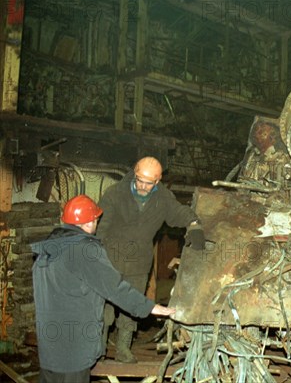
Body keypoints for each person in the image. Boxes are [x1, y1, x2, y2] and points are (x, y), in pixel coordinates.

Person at [32, 195, 175, 383]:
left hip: (49, 349)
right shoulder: (85, 250)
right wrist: (151, 307)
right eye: (96, 220)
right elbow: (115, 288)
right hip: (73, 351)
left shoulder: (46, 251)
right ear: (90, 221)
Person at [96, 156, 205, 363]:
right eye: (140, 180)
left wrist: (194, 224)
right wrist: (97, 255)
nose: (143, 186)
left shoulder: (163, 199)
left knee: (132, 307)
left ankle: (123, 349)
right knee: (105, 308)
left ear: (157, 181)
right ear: (134, 174)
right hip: (111, 259)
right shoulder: (115, 194)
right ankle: (98, 348)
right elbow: (101, 226)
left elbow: (178, 213)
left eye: (149, 183)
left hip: (139, 262)